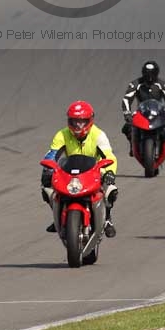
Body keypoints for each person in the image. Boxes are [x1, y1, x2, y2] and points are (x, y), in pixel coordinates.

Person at [40, 100, 118, 238]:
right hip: (70, 172)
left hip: (94, 171)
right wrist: (48, 169)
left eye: (81, 122)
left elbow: (109, 155)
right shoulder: (62, 135)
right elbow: (52, 153)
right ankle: (57, 215)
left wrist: (109, 172)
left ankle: (107, 219)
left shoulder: (98, 135)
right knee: (47, 188)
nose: (77, 126)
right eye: (74, 122)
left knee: (110, 189)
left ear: (89, 121)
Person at [121, 60, 165, 156]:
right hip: (141, 111)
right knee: (127, 127)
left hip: (159, 111)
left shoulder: (162, 84)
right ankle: (133, 144)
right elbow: (127, 99)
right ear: (143, 73)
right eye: (147, 74)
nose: (150, 77)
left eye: (152, 74)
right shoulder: (135, 84)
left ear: (156, 73)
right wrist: (127, 113)